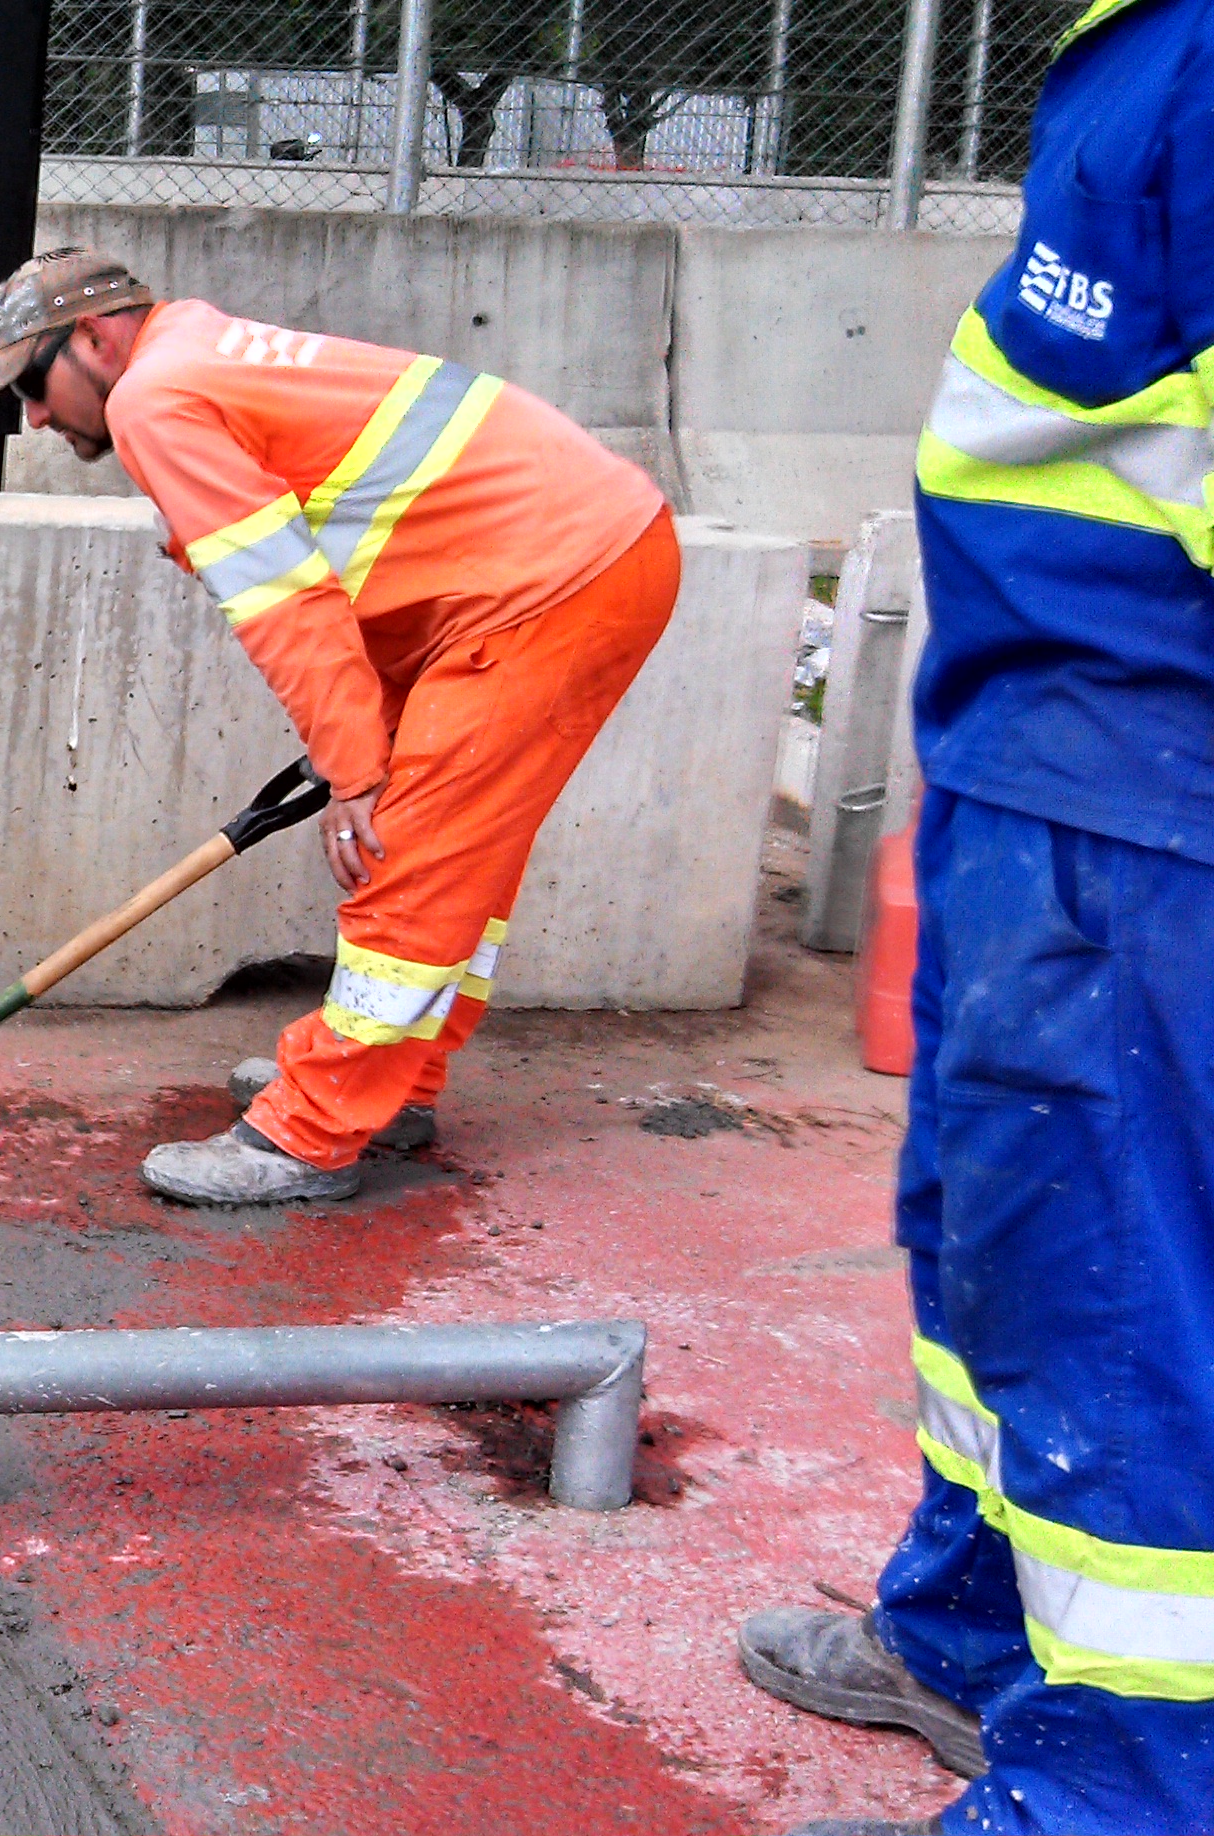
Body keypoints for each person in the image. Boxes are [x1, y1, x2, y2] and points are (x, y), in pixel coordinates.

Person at [729, 4, 1214, 1833]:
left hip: (1141, 796)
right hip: (1048, 759)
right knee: (991, 1252)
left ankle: (1112, 1793)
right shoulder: (1134, 39)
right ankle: (964, 1638)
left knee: (1110, 1299)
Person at [0, 247, 680, 1207]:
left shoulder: (154, 398)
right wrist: (367, 728)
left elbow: (283, 601)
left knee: (413, 859)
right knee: (446, 860)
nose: (37, 417)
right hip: (558, 564)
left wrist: (355, 771)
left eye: (35, 384)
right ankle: (391, 1092)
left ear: (92, 338)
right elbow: (376, 544)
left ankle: (307, 1135)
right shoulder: (201, 350)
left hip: (545, 585)